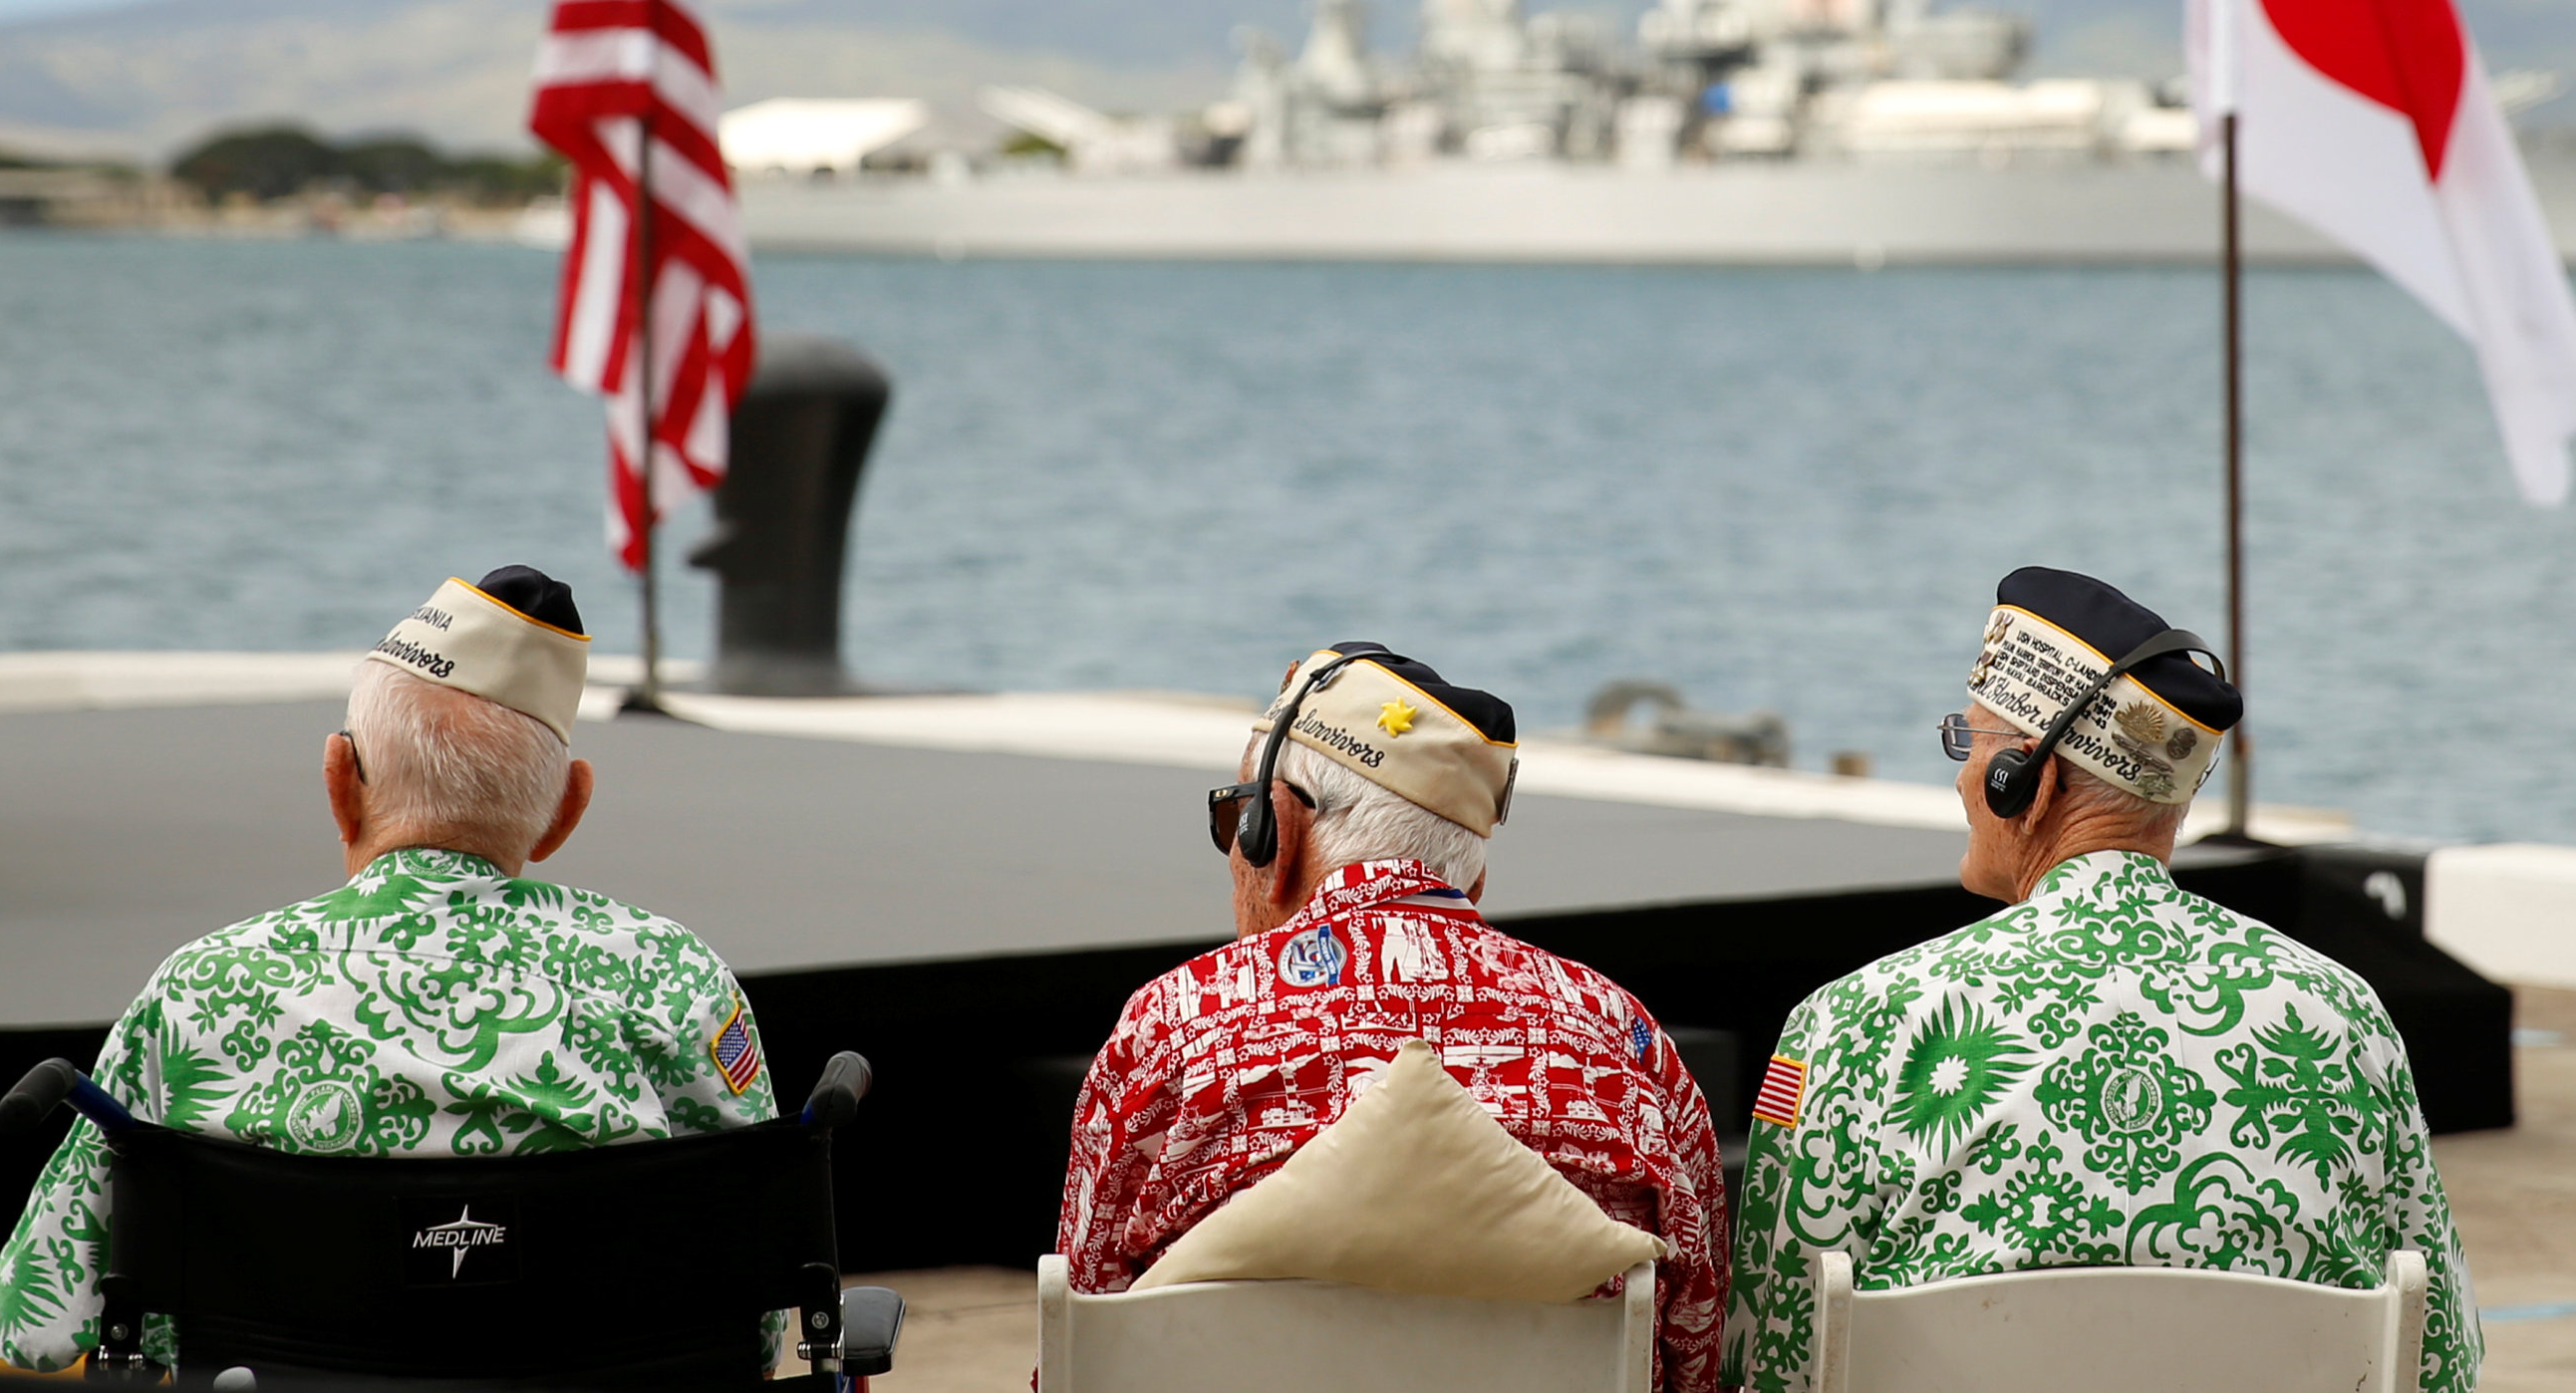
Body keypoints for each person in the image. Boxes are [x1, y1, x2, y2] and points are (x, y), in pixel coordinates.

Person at [0, 567, 776, 1372]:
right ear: (564, 812)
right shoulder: (674, 977)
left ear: (341, 782)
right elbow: (758, 1312)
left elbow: (37, 1325)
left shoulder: (199, 992)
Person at [1723, 568, 2479, 1393]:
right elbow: (2440, 1355)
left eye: (1967, 744)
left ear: (2028, 781)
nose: (1957, 779)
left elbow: (1772, 1356)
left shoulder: (1854, 1023)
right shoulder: (2345, 1018)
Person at [1058, 642, 1729, 1392]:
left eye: (1233, 818)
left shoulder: (1170, 1028)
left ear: (1271, 832)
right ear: (1474, 874)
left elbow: (1082, 1344)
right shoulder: (1625, 1038)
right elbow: (1694, 1346)